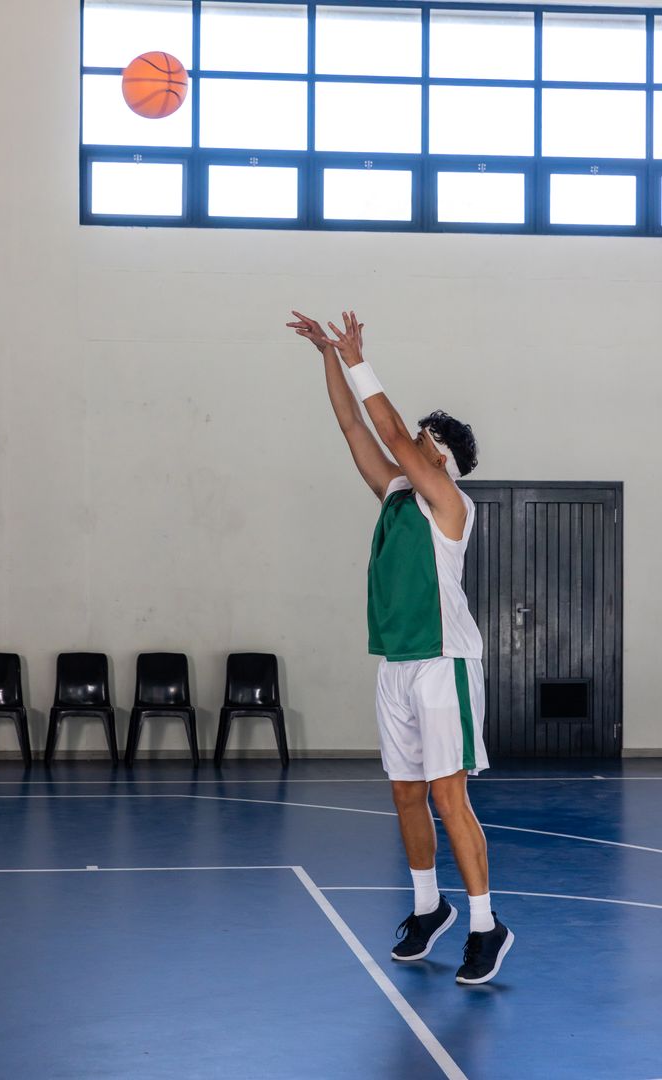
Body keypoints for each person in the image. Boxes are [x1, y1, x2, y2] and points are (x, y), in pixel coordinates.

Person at [286, 308, 514, 985]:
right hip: (398, 666)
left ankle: (484, 925)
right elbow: (356, 428)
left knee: (450, 798)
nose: (412, 439)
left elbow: (384, 424)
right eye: (417, 434)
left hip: (446, 665)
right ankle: (427, 907)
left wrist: (360, 358)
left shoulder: (450, 503)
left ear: (441, 457)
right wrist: (328, 354)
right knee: (407, 797)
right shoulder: (395, 494)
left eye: (424, 437)